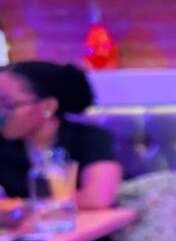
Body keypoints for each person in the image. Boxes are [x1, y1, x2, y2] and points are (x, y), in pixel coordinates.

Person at [0, 61, 122, 209]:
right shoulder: (5, 145)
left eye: (8, 104)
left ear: (48, 106)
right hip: (30, 230)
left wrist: (26, 208)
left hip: (91, 228)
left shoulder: (89, 138)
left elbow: (97, 198)